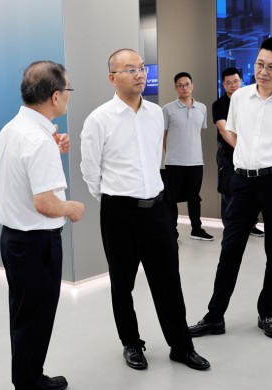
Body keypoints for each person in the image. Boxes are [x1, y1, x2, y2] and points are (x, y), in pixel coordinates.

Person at [80, 48, 210, 371]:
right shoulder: (99, 119)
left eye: (141, 68)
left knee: (169, 281)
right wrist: (116, 199)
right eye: (130, 69)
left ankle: (181, 346)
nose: (140, 74)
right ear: (112, 78)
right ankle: (132, 343)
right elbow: (90, 171)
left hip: (157, 209)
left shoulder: (155, 114)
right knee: (122, 283)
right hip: (119, 212)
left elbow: (155, 158)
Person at [189, 37, 272, 339]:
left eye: (271, 67)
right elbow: (235, 135)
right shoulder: (240, 97)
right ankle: (214, 317)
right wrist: (248, 161)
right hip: (242, 182)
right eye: (259, 64)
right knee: (229, 251)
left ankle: (267, 313)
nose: (263, 71)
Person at [0, 60, 85, 390]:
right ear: (55, 96)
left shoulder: (14, 128)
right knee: (35, 318)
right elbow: (45, 203)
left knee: (25, 316)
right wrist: (71, 208)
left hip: (16, 240)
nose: (68, 96)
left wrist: (52, 150)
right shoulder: (38, 139)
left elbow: (23, 175)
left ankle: (31, 377)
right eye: (68, 89)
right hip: (36, 243)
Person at [212, 67, 265, 237]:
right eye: (228, 83)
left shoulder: (251, 101)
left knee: (251, 188)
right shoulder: (219, 104)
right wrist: (241, 149)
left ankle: (250, 224)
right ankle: (230, 226)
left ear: (241, 81)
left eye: (235, 81)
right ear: (223, 84)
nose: (233, 85)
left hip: (250, 153)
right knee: (228, 189)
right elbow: (224, 130)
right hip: (227, 153)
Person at [162, 72, 213, 241]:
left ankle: (196, 229)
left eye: (187, 84)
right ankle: (172, 232)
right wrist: (171, 152)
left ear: (192, 86)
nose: (184, 87)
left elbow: (198, 131)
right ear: (176, 88)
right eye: (180, 85)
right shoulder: (167, 109)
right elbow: (163, 135)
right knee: (171, 199)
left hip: (196, 161)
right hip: (174, 162)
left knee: (194, 198)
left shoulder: (202, 108)